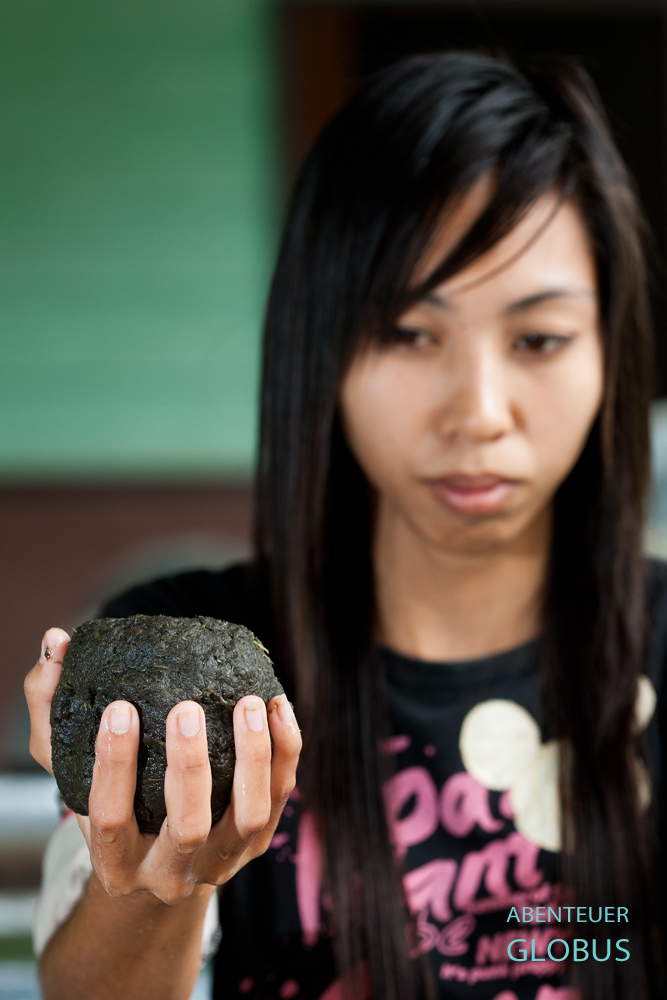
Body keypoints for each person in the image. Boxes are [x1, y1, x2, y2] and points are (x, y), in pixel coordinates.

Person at [23, 50, 667, 1000]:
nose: (479, 412)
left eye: (538, 338)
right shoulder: (183, 666)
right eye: (407, 333)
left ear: (609, 353)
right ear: (318, 349)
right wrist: (158, 884)